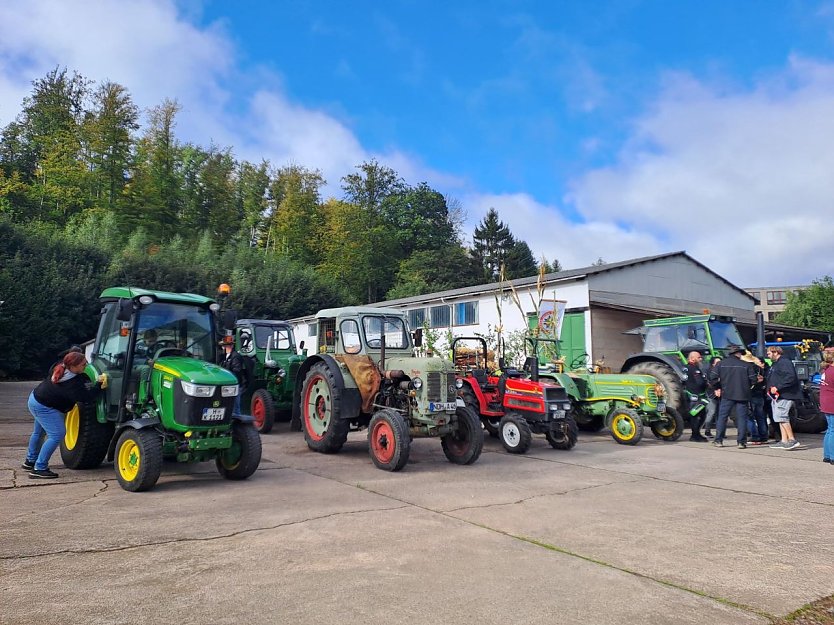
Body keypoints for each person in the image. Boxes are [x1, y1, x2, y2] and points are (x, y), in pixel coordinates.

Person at [23, 351, 106, 479]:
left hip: (35, 399)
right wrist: (99, 386)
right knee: (57, 434)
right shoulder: (71, 384)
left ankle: (30, 461)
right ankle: (39, 468)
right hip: (44, 407)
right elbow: (86, 397)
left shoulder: (60, 367)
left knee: (39, 433)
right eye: (83, 365)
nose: (86, 366)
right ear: (73, 366)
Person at [711, 344, 757, 448]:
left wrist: (719, 387)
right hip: (743, 395)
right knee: (742, 418)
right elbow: (754, 380)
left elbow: (713, 377)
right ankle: (741, 442)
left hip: (727, 394)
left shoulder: (721, 364)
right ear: (738, 353)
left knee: (722, 418)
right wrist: (746, 387)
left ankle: (718, 440)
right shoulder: (747, 365)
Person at [767, 345, 803, 450]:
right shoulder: (777, 363)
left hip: (785, 395)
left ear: (775, 352)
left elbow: (791, 377)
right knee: (779, 417)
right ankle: (784, 440)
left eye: (769, 353)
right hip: (778, 395)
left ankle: (792, 439)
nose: (768, 356)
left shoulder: (784, 362)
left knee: (782, 416)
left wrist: (778, 387)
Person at [743, 353, 768, 445]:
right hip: (760, 394)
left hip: (750, 395)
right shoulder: (759, 368)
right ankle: (764, 436)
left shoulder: (746, 368)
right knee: (760, 417)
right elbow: (764, 380)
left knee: (749, 417)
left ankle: (755, 436)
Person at [683, 350, 709, 441]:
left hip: (693, 396)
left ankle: (697, 434)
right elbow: (700, 382)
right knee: (697, 416)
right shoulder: (694, 369)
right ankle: (695, 435)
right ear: (692, 358)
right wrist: (707, 384)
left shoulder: (685, 367)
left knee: (698, 416)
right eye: (699, 357)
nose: (701, 359)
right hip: (695, 396)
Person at [219, 335, 247, 416]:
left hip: (236, 384)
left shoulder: (235, 356)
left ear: (230, 346)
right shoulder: (225, 356)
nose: (223, 347)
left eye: (225, 345)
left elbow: (237, 370)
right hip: (228, 385)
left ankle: (237, 422)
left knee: (235, 405)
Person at [820, 350, 834, 464]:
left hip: (826, 401)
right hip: (832, 402)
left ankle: (827, 455)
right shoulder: (833, 371)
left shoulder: (826, 370)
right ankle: (833, 456)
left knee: (830, 429)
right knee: (833, 429)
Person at [703, 356, 721, 438]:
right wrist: (715, 390)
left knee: (720, 414)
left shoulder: (722, 371)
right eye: (717, 362)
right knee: (712, 412)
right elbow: (708, 383)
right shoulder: (709, 372)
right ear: (713, 363)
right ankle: (707, 430)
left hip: (721, 394)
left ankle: (720, 432)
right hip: (711, 394)